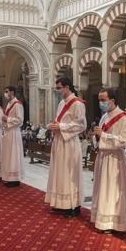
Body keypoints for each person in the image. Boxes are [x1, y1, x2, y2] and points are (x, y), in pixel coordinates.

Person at [90, 89, 126, 233]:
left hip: (114, 160)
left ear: (112, 100)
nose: (101, 103)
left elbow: (124, 141)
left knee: (112, 190)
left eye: (103, 100)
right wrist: (96, 137)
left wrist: (104, 135)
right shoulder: (104, 117)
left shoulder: (124, 119)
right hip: (103, 157)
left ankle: (113, 223)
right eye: (99, 100)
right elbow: (100, 135)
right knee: (102, 189)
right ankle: (101, 219)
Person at [45, 77, 87, 218]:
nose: (57, 91)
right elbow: (60, 121)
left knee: (69, 173)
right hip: (59, 141)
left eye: (59, 88)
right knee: (59, 173)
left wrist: (61, 126)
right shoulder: (62, 103)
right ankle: (60, 203)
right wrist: (53, 126)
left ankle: (72, 206)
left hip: (69, 143)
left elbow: (82, 125)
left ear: (67, 87)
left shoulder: (77, 103)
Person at [1, 86, 24, 187]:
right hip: (8, 132)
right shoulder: (9, 104)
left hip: (14, 133)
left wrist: (8, 119)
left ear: (12, 92)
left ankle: (15, 179)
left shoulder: (17, 104)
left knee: (13, 155)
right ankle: (9, 177)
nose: (5, 93)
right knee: (8, 156)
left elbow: (20, 120)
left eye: (7, 91)